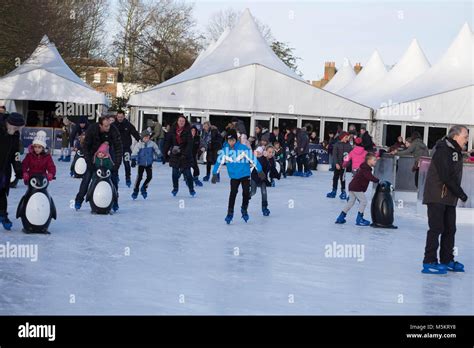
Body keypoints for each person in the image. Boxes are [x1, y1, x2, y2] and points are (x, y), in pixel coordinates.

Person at [421, 125, 469, 274]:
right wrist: (460, 193)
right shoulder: (443, 149)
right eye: (465, 137)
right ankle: (429, 261)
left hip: (448, 196)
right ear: (455, 136)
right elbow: (445, 175)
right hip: (437, 195)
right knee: (436, 228)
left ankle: (446, 259)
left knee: (450, 229)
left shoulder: (454, 150)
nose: (467, 140)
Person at [211, 129, 263, 224]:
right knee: (233, 194)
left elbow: (252, 159)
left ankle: (244, 209)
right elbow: (218, 162)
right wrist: (215, 173)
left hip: (245, 174)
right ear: (227, 140)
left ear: (236, 139)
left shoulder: (243, 148)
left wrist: (259, 170)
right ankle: (230, 213)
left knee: (246, 193)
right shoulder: (225, 151)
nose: (231, 142)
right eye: (229, 140)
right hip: (234, 176)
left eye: (233, 140)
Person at [74, 116, 123, 212]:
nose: (108, 127)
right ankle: (79, 200)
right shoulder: (92, 129)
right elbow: (86, 146)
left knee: (114, 178)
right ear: (100, 125)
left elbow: (118, 147)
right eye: (105, 126)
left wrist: (117, 164)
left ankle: (115, 201)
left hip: (108, 154)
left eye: (109, 125)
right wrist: (89, 162)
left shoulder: (113, 130)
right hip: (93, 155)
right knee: (87, 178)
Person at [335, 153, 379, 226]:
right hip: (356, 187)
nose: (375, 162)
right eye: (374, 160)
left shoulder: (365, 167)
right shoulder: (366, 168)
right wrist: (378, 180)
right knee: (364, 201)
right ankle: (359, 219)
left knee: (350, 202)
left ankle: (340, 217)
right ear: (369, 160)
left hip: (353, 186)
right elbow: (369, 177)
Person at [0, 113, 25, 230]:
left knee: (2, 191)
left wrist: (18, 169)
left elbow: (16, 154)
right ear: (9, 124)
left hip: (4, 169)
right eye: (15, 128)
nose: (17, 130)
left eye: (18, 129)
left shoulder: (15, 134)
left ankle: (3, 215)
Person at [163, 115, 195, 197]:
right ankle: (175, 188)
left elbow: (190, 144)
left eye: (183, 121)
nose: (181, 122)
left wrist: (185, 153)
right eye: (180, 120)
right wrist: (165, 153)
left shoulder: (188, 131)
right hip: (175, 154)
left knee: (188, 174)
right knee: (175, 173)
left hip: (185, 156)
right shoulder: (172, 130)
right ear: (177, 121)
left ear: (185, 122)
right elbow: (168, 142)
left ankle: (191, 189)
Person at [131, 130, 160, 199]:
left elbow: (157, 149)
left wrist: (160, 155)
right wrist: (133, 160)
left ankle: (144, 187)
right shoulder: (139, 144)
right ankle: (136, 190)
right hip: (141, 163)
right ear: (142, 138)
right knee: (139, 177)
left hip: (149, 163)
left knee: (150, 177)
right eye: (145, 137)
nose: (147, 139)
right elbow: (134, 152)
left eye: (148, 137)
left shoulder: (152, 144)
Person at [250, 145, 279, 216]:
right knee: (253, 192)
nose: (271, 154)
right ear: (266, 152)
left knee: (264, 192)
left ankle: (264, 208)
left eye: (272, 152)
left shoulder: (272, 160)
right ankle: (247, 196)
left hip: (263, 179)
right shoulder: (261, 159)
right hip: (255, 177)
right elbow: (259, 170)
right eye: (269, 152)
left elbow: (273, 169)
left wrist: (277, 175)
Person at [114, 110, 140, 187]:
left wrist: (140, 140)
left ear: (124, 116)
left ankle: (128, 178)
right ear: (116, 116)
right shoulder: (113, 125)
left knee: (126, 163)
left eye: (121, 117)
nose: (120, 118)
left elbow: (135, 133)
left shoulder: (128, 125)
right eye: (118, 117)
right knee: (116, 163)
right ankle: (116, 176)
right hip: (116, 148)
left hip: (126, 148)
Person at [327, 132, 352, 200]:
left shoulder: (349, 146)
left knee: (343, 179)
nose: (347, 138)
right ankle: (334, 191)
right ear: (342, 137)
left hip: (344, 165)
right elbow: (334, 155)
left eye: (347, 137)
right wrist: (336, 163)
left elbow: (350, 156)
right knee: (335, 178)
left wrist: (347, 164)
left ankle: (343, 192)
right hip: (337, 165)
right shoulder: (336, 144)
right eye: (346, 137)